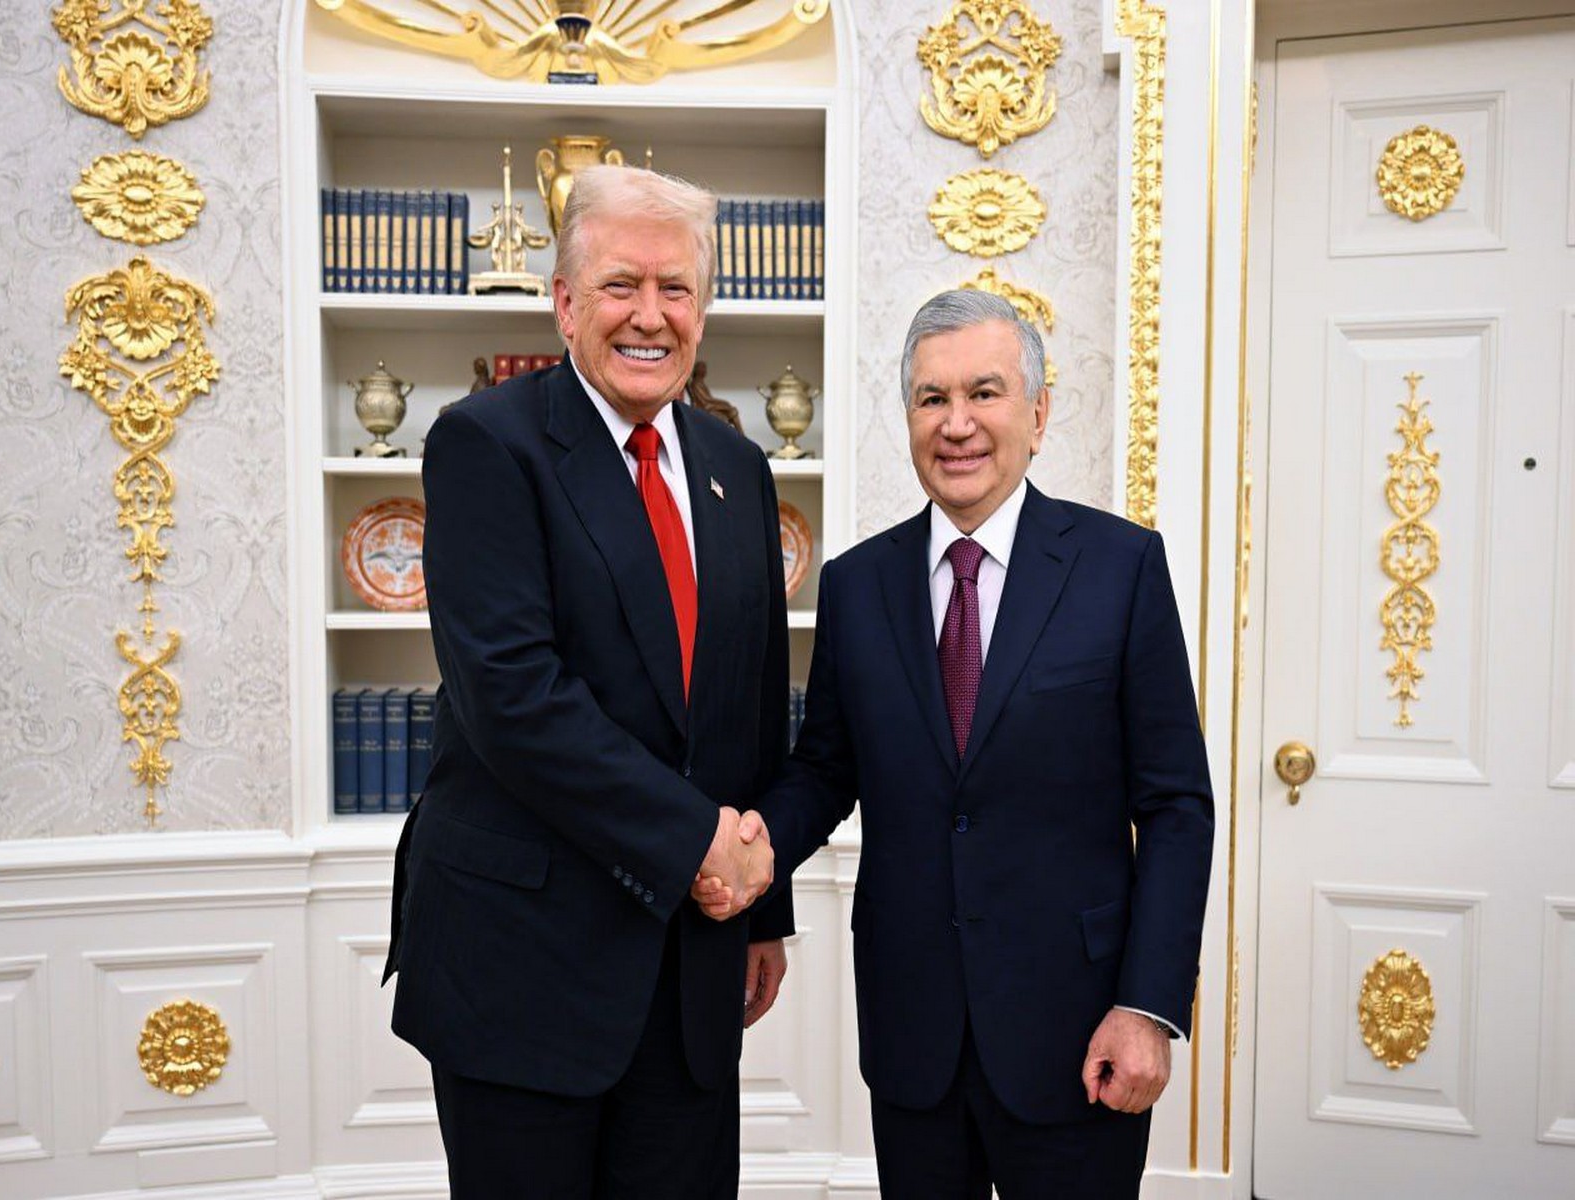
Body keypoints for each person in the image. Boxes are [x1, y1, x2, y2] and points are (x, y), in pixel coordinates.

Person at [701, 291, 1214, 1197]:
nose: (959, 424)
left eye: (985, 392)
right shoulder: (858, 585)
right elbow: (825, 769)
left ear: (1039, 412)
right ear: (908, 417)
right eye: (932, 399)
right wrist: (752, 857)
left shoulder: (1121, 568)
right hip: (913, 1026)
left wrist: (1148, 1007)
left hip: (1079, 1026)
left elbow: (1175, 806)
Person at [384, 164, 793, 1199]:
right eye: (620, 285)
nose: (649, 316)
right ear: (565, 303)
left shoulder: (735, 466)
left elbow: (747, 697)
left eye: (676, 289)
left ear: (704, 308)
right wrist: (700, 845)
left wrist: (760, 912)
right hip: (522, 963)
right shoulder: (487, 443)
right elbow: (514, 698)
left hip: (693, 960)